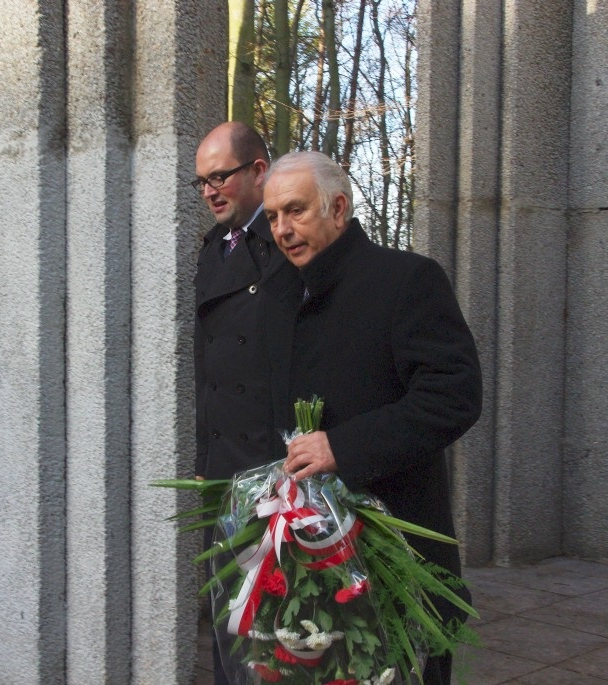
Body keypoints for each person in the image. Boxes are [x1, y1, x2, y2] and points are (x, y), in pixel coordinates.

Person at [262, 151, 483, 685]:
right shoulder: (275, 294)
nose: (283, 230)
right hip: (303, 558)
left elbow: (454, 395)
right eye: (272, 217)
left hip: (395, 554)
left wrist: (343, 447)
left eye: (295, 211)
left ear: (338, 208)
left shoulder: (408, 280)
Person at [192, 122, 296, 685]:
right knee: (229, 618)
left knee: (275, 625)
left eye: (220, 176)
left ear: (259, 171)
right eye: (202, 182)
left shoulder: (286, 241)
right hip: (223, 466)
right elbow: (208, 366)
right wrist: (205, 457)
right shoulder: (214, 248)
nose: (210, 191)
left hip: (273, 470)